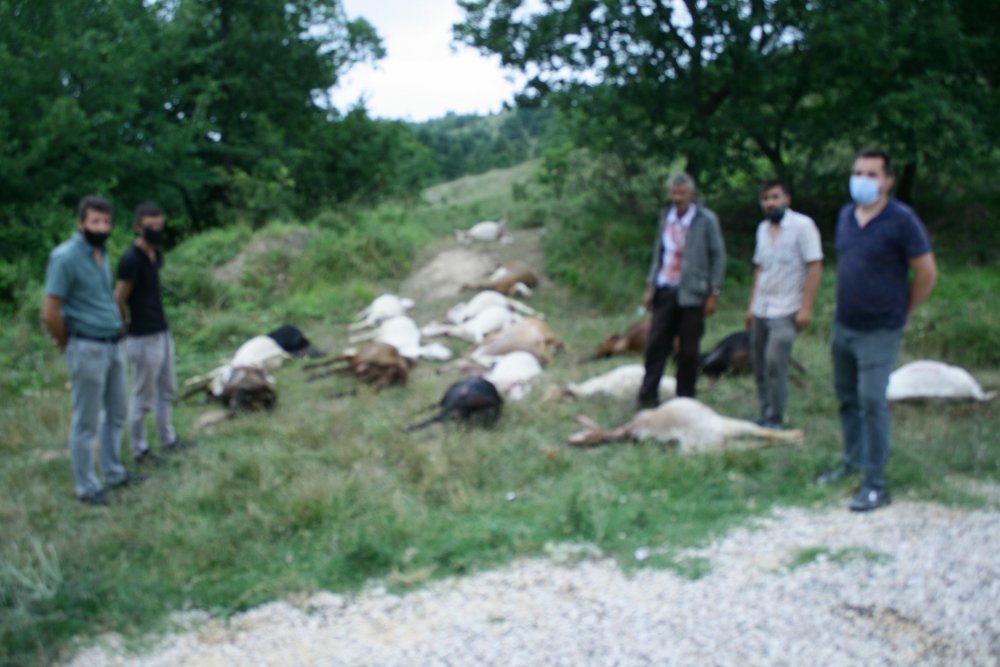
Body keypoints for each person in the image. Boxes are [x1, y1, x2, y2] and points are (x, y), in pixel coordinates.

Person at [816, 149, 937, 512]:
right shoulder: (845, 216)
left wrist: (905, 310)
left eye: (871, 174)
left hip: (881, 329)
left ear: (887, 181)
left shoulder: (902, 220)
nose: (862, 180)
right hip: (845, 324)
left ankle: (875, 483)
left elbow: (926, 271)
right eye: (857, 172)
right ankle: (851, 460)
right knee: (847, 397)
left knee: (872, 400)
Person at [42, 195, 143, 506]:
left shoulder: (103, 252)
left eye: (106, 222)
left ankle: (113, 471)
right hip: (86, 345)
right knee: (85, 420)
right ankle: (87, 486)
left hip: (113, 343)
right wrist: (65, 341)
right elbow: (50, 311)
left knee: (116, 412)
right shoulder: (65, 257)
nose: (101, 227)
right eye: (95, 221)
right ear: (81, 222)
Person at [115, 202, 195, 465]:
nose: (157, 231)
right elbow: (118, 299)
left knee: (167, 389)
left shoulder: (156, 254)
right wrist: (124, 326)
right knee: (142, 396)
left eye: (160, 225)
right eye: (152, 227)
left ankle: (168, 439)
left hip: (161, 330)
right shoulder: (130, 260)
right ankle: (139, 450)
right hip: (141, 336)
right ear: (138, 227)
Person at [637, 173, 726, 407]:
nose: (677, 198)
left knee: (688, 349)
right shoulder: (665, 217)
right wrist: (650, 287)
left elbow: (718, 256)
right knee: (656, 344)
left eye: (682, 193)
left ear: (692, 194)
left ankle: (685, 399)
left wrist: (713, 292)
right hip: (665, 288)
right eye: (674, 193)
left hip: (693, 293)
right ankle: (647, 395)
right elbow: (659, 253)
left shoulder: (706, 220)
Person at [744, 180, 823, 429]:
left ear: (787, 199)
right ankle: (765, 411)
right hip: (762, 307)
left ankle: (776, 417)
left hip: (787, 307)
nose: (770, 203)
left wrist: (806, 307)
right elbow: (759, 269)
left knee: (775, 361)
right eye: (766, 199)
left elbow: (814, 266)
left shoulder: (803, 226)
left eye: (775, 197)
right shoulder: (762, 229)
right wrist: (750, 305)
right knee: (758, 362)